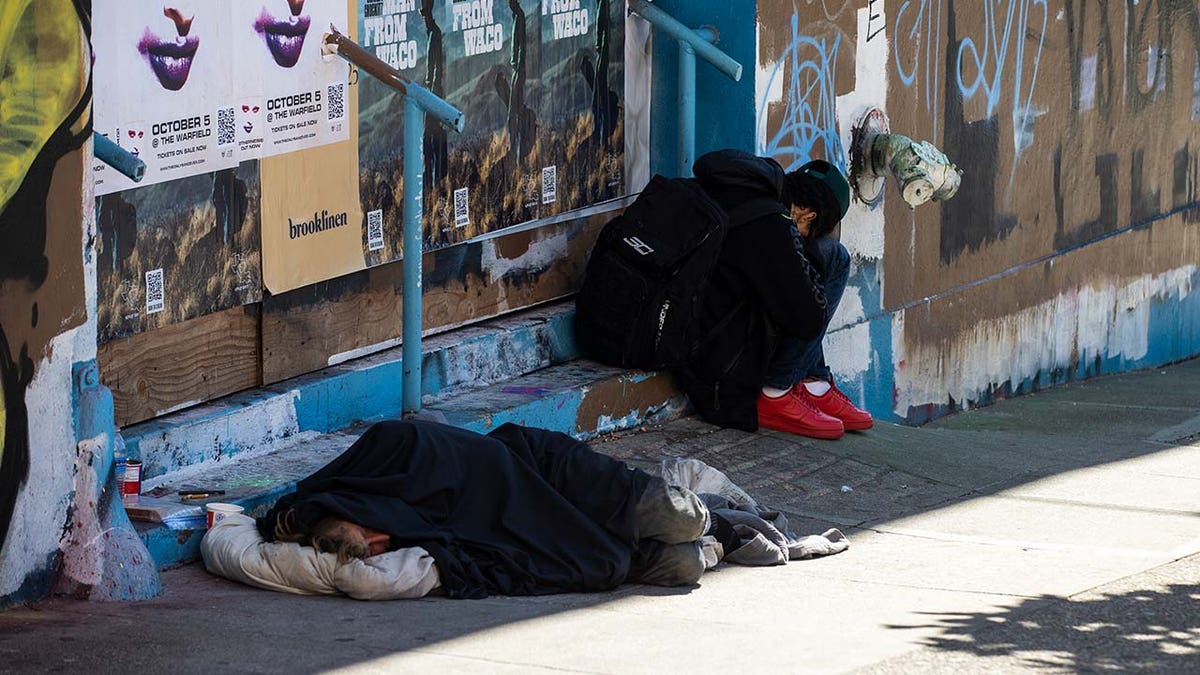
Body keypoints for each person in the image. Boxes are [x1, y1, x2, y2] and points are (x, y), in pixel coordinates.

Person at [257, 419, 736, 598]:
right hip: (555, 532)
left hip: (546, 471)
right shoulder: (416, 530)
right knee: (683, 563)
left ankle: (721, 519)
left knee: (682, 518)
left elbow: (481, 464)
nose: (382, 547)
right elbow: (481, 546)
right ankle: (716, 542)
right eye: (377, 548)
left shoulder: (393, 450)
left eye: (371, 537)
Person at [673, 149, 873, 440]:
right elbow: (807, 318)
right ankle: (777, 391)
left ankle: (813, 381)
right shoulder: (774, 227)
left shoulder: (746, 195)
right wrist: (808, 268)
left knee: (819, 266)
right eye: (811, 231)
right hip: (718, 356)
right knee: (834, 257)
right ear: (808, 215)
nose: (807, 238)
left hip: (704, 321)